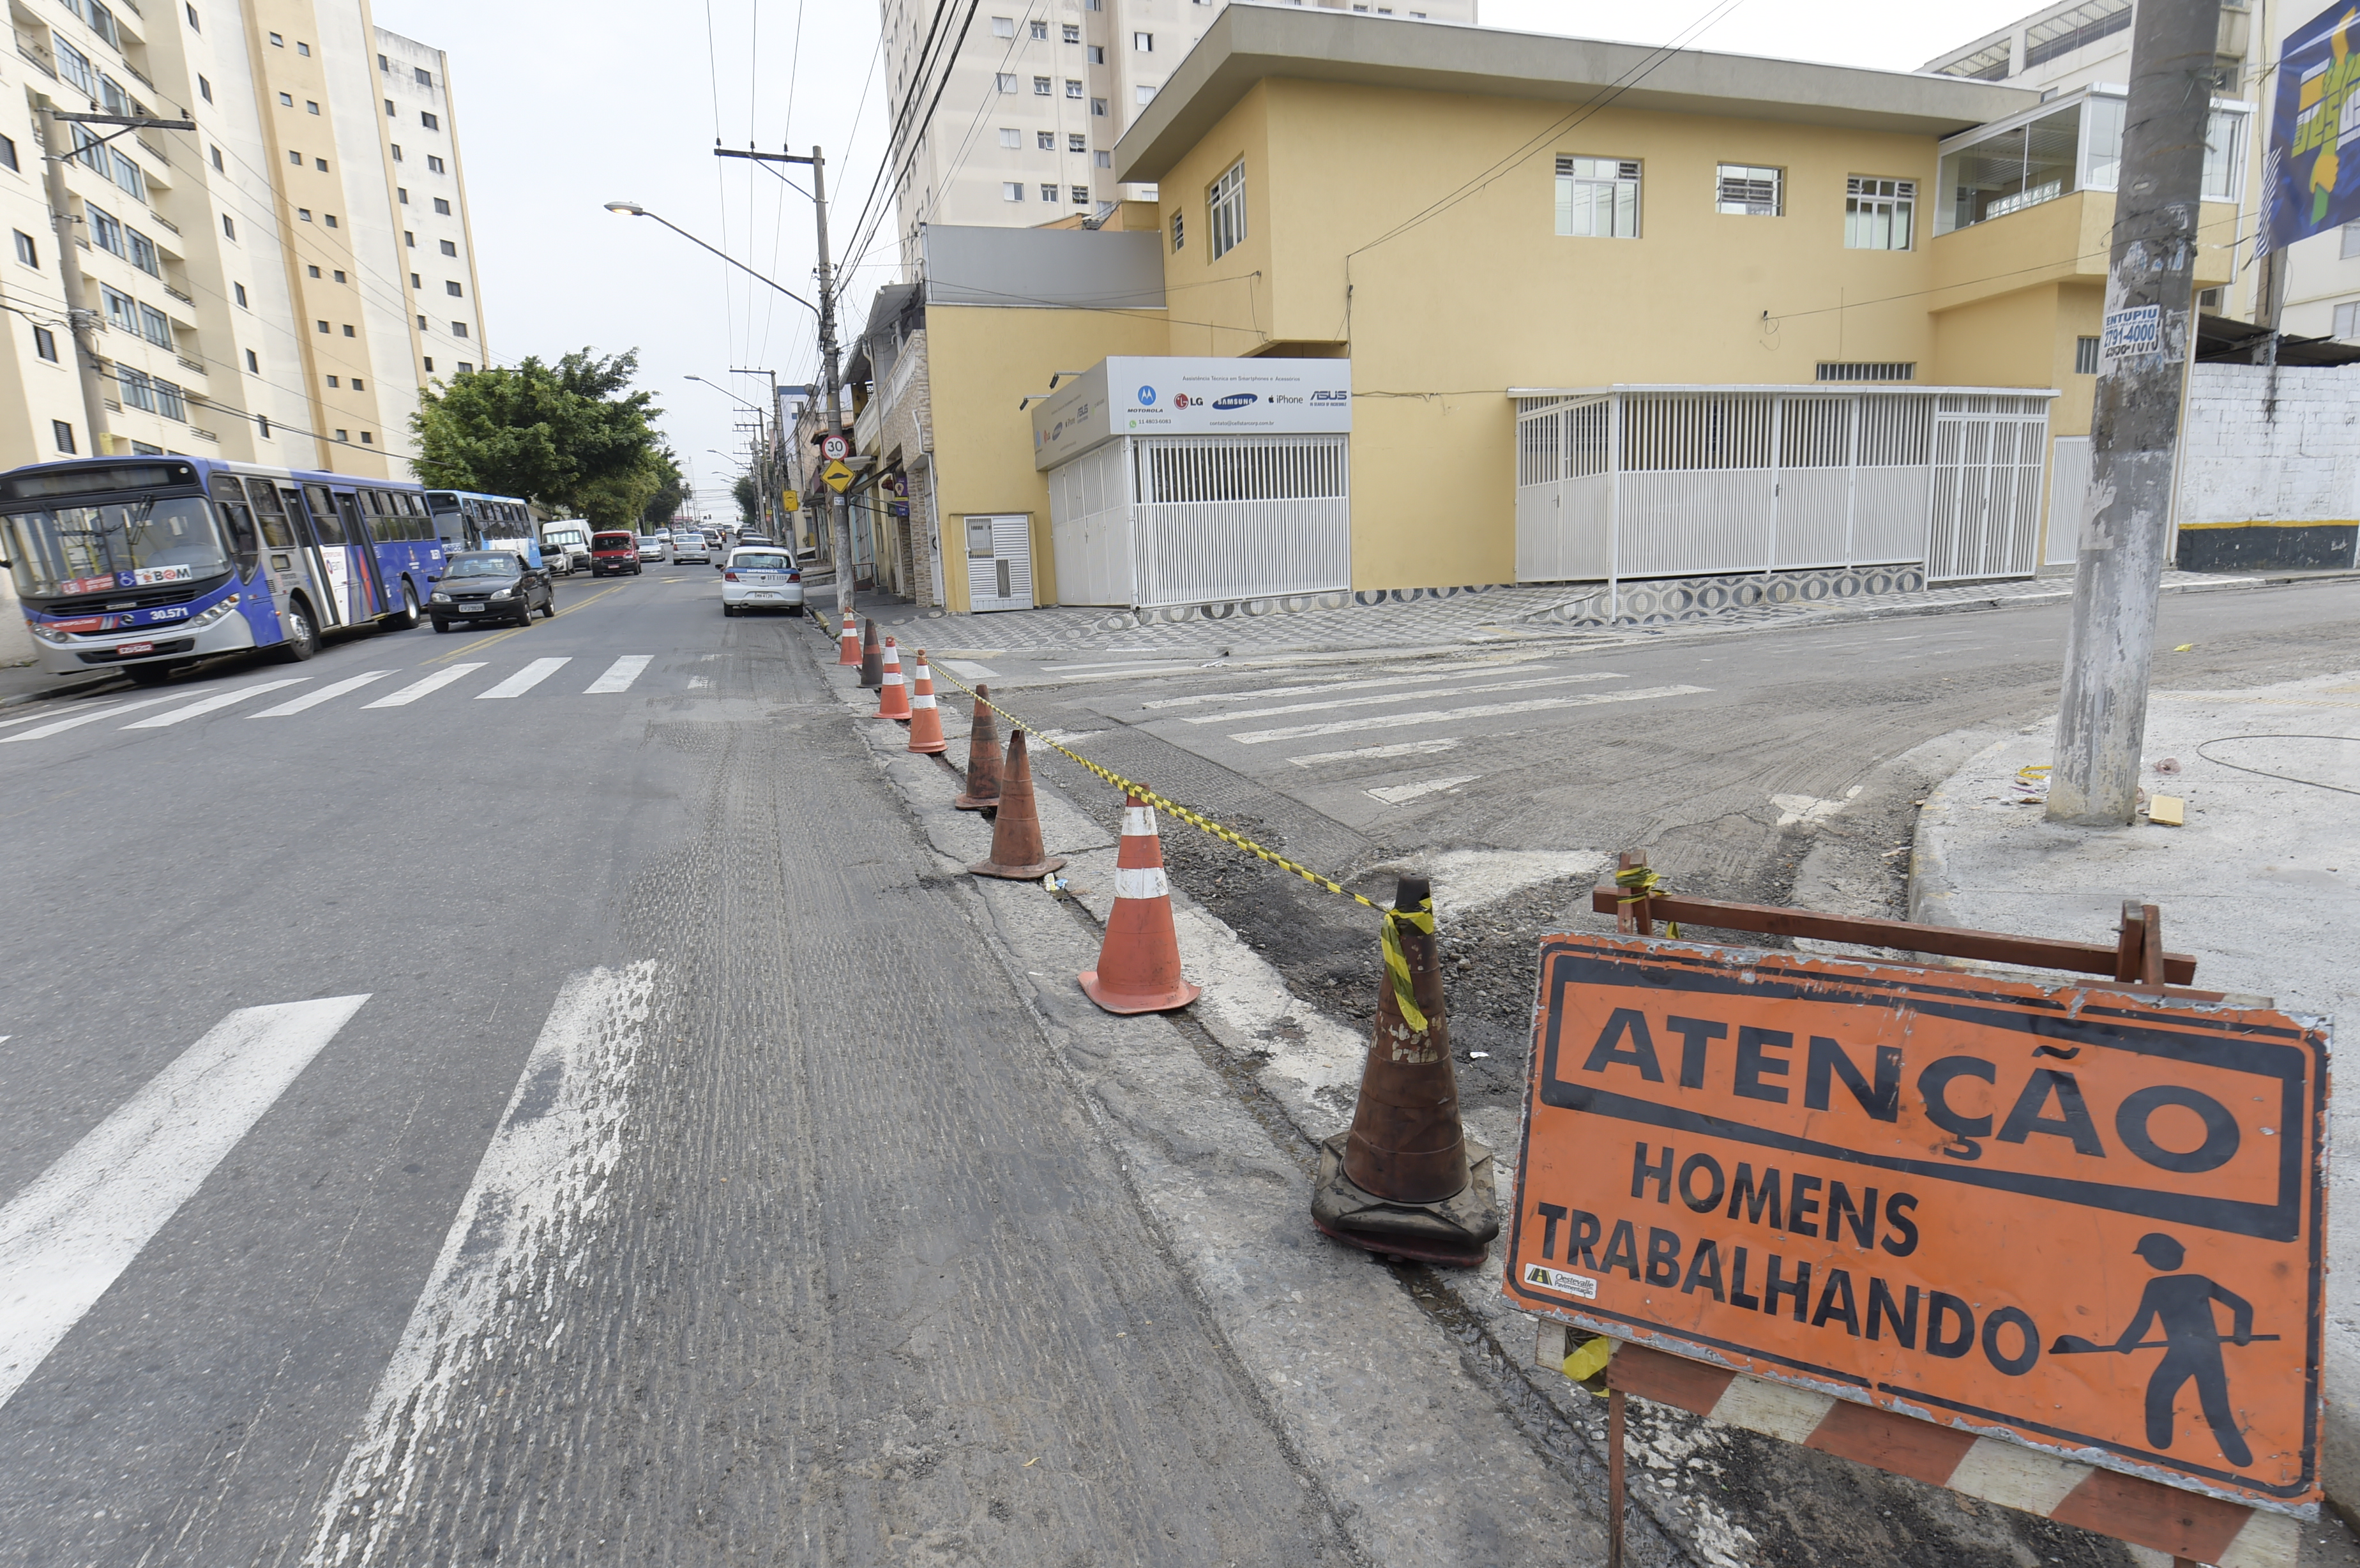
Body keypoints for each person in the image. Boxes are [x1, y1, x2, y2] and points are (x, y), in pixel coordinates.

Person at [2110, 1232, 2255, 1467]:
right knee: (2161, 1395)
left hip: (2203, 1353)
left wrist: (2242, 1334)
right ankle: (2159, 1448)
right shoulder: (2159, 1285)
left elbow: (2242, 1306)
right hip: (2187, 1352)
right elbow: (2143, 1321)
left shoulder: (2193, 1282)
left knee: (2212, 1406)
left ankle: (2241, 1460)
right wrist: (2126, 1343)